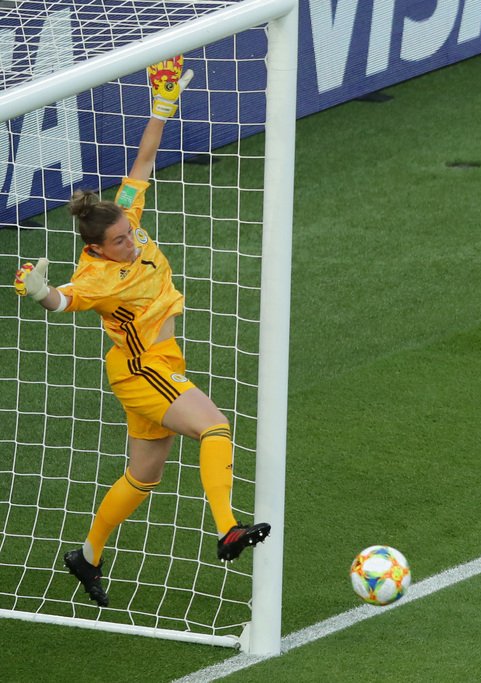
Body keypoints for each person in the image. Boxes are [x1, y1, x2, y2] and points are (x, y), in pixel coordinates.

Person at [13, 57, 270, 608]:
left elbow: (145, 160)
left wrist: (163, 103)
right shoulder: (97, 277)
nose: (132, 241)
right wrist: (40, 291)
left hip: (160, 363)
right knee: (216, 430)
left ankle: (87, 554)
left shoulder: (125, 214)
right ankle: (227, 527)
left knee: (144, 477)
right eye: (123, 240)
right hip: (142, 370)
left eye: (131, 234)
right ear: (98, 248)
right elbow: (66, 300)